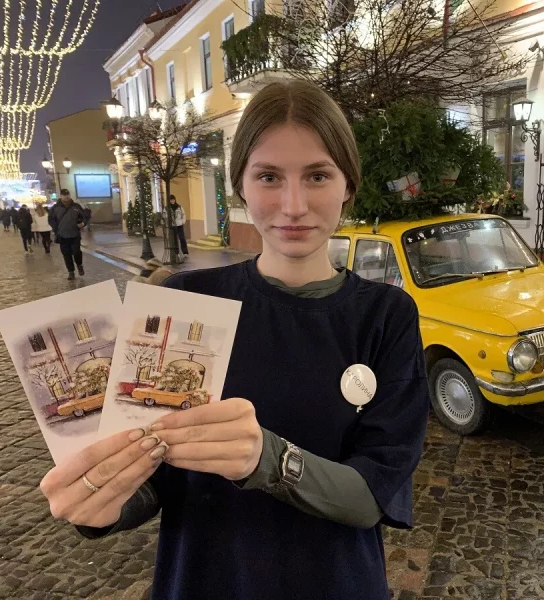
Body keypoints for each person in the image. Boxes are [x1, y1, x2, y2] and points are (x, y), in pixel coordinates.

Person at [38, 81, 429, 600]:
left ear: (348, 185)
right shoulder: (185, 300)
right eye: (269, 176)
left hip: (336, 583)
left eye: (317, 175)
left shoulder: (386, 315)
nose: (293, 205)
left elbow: (371, 496)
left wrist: (264, 458)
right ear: (241, 186)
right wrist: (100, 500)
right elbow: (153, 471)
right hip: (202, 581)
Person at [49, 189, 85, 280]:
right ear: (61, 196)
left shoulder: (76, 206)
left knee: (77, 252)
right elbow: (51, 219)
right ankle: (71, 272)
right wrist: (56, 229)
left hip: (75, 234)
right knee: (66, 254)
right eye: (64, 195)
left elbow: (84, 216)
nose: (66, 196)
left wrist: (83, 223)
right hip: (62, 235)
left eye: (67, 194)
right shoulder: (55, 208)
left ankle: (79, 265)